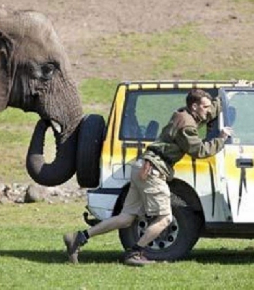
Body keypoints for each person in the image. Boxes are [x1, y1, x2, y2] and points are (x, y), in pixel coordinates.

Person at [63, 88, 233, 266]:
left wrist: (224, 98)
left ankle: (79, 237)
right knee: (165, 219)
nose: (207, 111)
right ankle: (134, 253)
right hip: (153, 172)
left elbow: (207, 113)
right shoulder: (187, 126)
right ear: (195, 106)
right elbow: (199, 151)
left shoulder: (183, 114)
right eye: (205, 107)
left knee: (127, 217)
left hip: (142, 167)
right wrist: (221, 138)